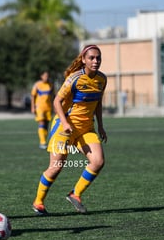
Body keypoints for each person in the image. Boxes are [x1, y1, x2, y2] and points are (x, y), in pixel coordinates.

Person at [32, 44, 107, 215]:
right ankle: (38, 202)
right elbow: (57, 101)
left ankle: (75, 194)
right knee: (56, 166)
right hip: (63, 127)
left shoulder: (102, 79)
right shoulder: (74, 79)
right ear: (83, 60)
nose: (95, 61)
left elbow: (98, 103)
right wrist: (65, 123)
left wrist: (101, 126)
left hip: (86, 129)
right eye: (92, 58)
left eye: (98, 58)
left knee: (98, 161)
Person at [31, 71, 54, 149]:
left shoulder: (51, 85)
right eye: (45, 76)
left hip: (48, 107)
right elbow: (33, 96)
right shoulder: (37, 85)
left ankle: (44, 140)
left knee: (46, 125)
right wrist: (32, 107)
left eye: (47, 76)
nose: (46, 77)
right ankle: (42, 142)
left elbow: (53, 96)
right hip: (39, 107)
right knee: (41, 123)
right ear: (41, 76)